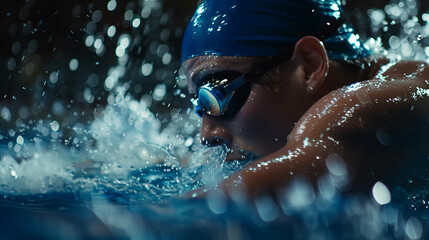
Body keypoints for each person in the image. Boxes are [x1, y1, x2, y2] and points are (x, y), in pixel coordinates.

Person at [180, 0, 429, 197]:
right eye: (201, 106)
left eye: (219, 94)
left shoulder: (373, 103)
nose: (206, 135)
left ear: (309, 66)